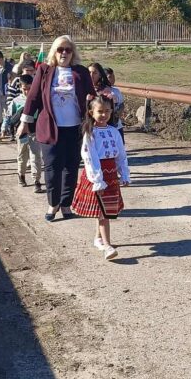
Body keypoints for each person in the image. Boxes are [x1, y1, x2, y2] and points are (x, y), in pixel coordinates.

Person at [22, 35, 95, 222]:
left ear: (73, 53)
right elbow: (33, 97)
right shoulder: (45, 70)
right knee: (53, 168)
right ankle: (52, 203)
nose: (64, 53)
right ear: (54, 52)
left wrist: (100, 102)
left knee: (70, 168)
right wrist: (24, 122)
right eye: (60, 49)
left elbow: (92, 97)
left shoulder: (80, 72)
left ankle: (65, 204)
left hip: (75, 128)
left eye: (68, 50)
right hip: (51, 128)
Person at [71, 94, 130, 260]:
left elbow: (121, 154)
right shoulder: (90, 133)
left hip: (111, 174)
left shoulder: (113, 132)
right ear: (91, 112)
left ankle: (98, 238)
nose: (104, 115)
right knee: (104, 213)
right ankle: (107, 246)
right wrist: (97, 179)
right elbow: (89, 157)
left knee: (103, 211)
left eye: (107, 111)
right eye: (100, 111)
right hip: (98, 175)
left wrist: (124, 173)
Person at [12, 74, 43, 192]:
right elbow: (10, 116)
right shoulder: (16, 101)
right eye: (24, 89)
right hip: (22, 134)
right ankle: (21, 175)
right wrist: (5, 127)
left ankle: (36, 180)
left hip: (35, 132)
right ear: (20, 87)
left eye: (30, 88)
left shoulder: (38, 101)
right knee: (22, 156)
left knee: (35, 156)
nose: (27, 91)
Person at [106, 67, 125, 140]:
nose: (113, 79)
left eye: (113, 76)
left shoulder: (116, 91)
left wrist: (117, 114)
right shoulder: (100, 91)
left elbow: (121, 105)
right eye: (110, 77)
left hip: (117, 126)